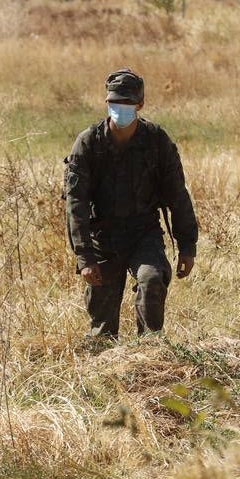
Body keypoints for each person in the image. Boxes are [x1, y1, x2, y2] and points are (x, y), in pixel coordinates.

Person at [65, 67, 198, 342]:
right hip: (103, 236)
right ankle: (103, 375)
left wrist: (187, 246)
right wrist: (85, 257)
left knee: (151, 280)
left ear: (140, 104)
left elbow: (177, 195)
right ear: (107, 103)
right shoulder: (88, 143)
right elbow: (75, 203)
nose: (120, 108)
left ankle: (149, 354)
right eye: (115, 103)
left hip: (143, 233)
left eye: (127, 103)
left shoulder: (156, 141)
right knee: (102, 333)